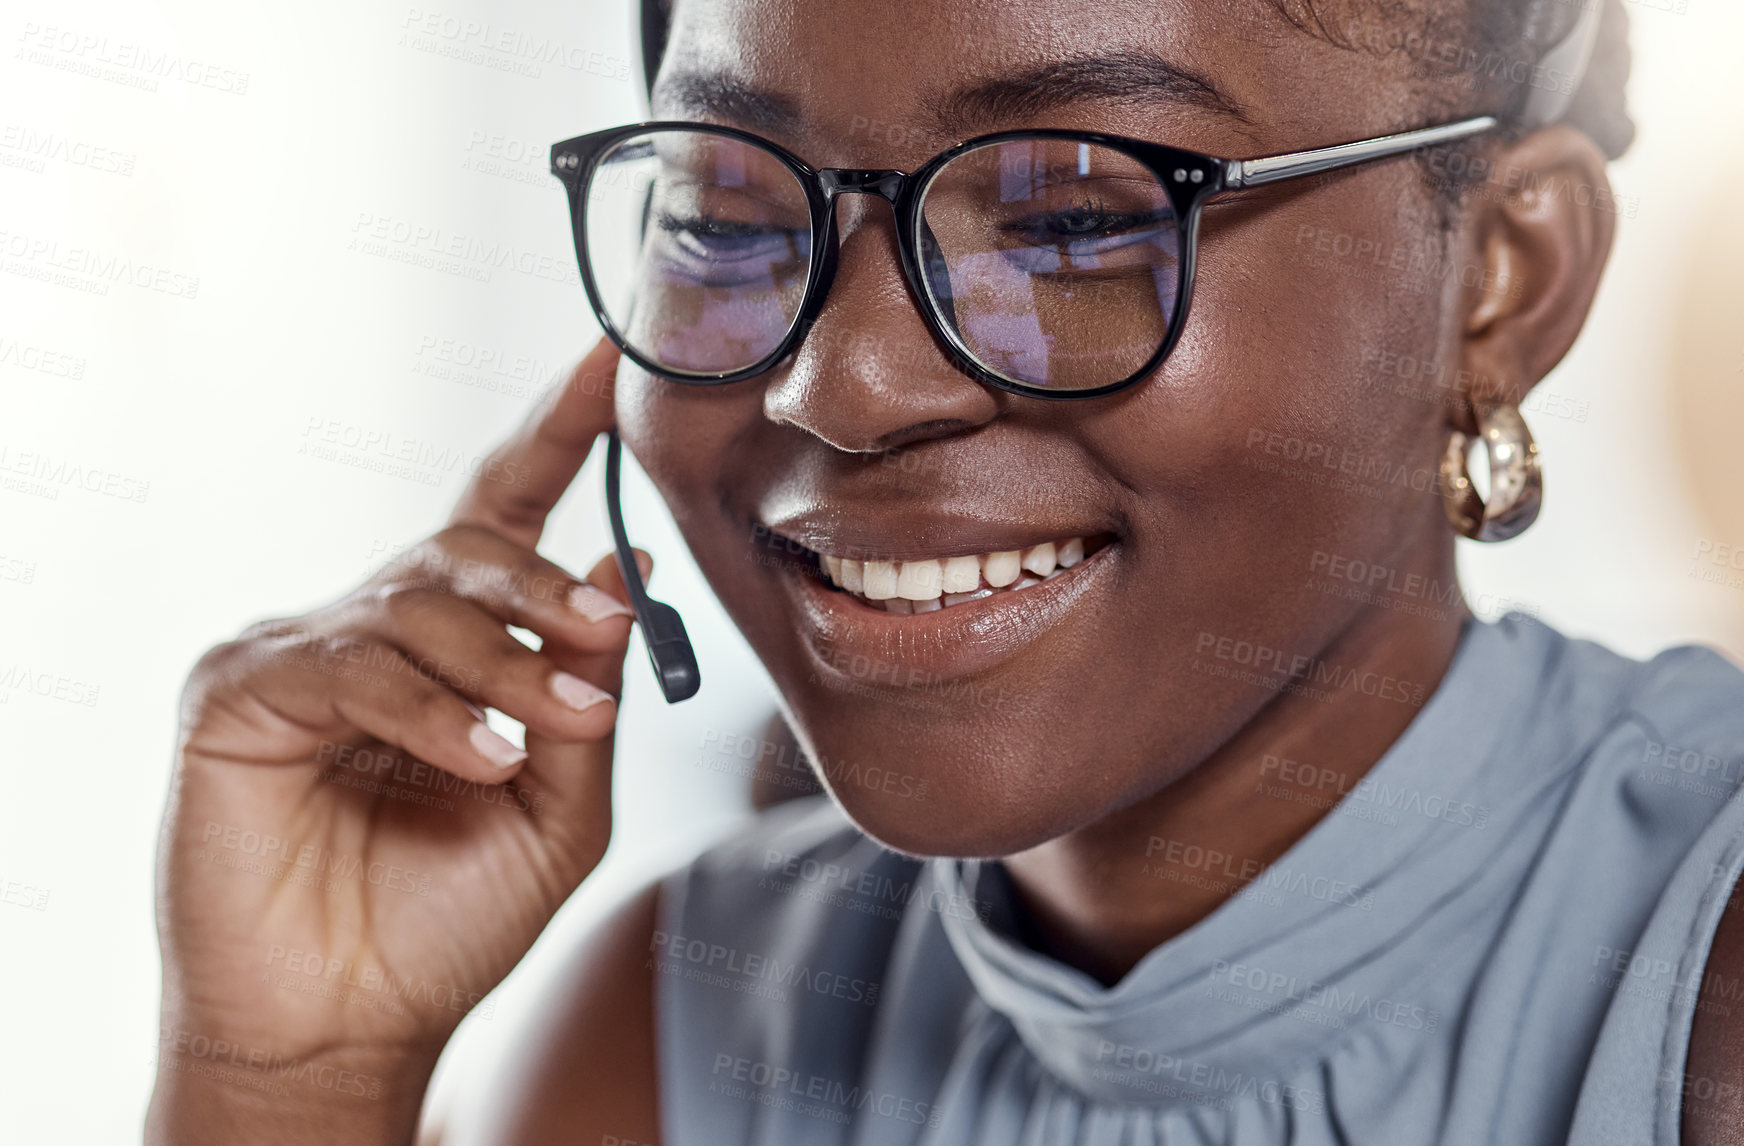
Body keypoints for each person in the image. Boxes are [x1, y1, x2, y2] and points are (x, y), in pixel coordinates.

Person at [147, 0, 1744, 1142]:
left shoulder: (1701, 970)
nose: (838, 385)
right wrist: (291, 1079)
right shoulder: (683, 1024)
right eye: (726, 202)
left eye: (1071, 220)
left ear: (1502, 281)